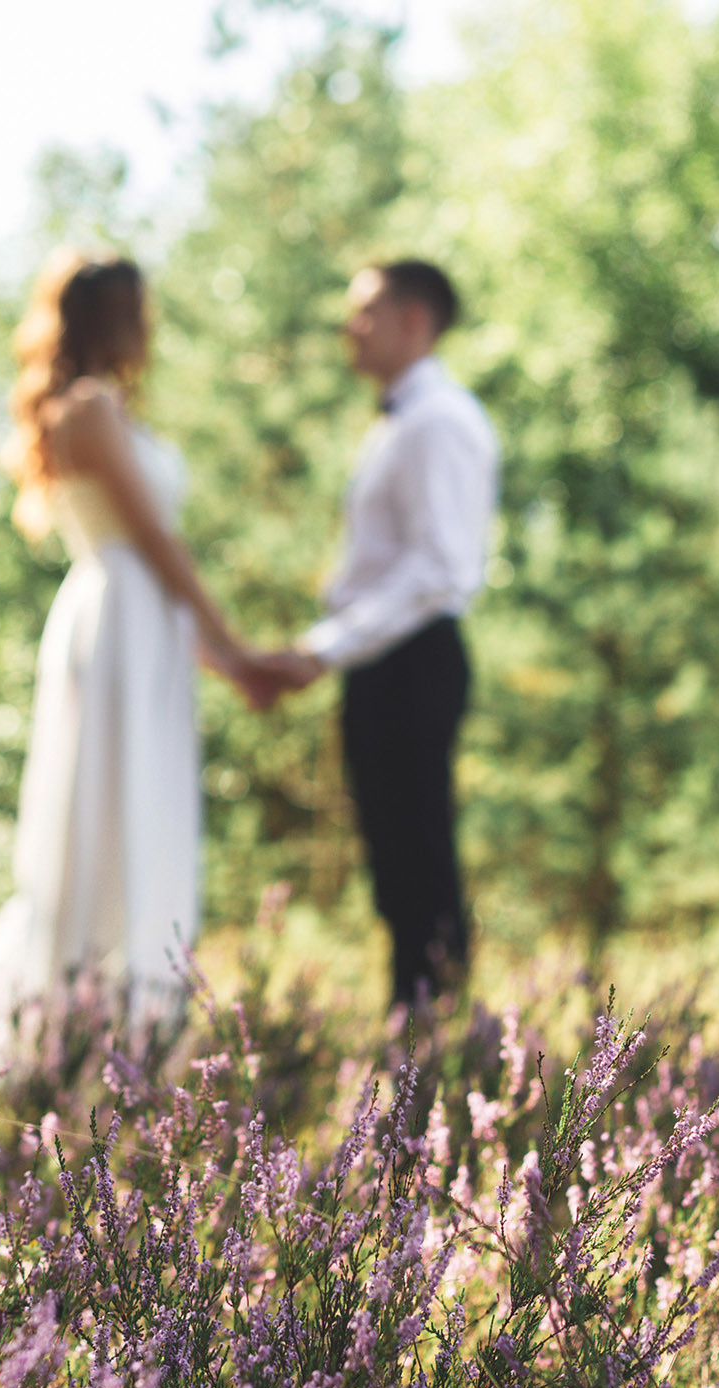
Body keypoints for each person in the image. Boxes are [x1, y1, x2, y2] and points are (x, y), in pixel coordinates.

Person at [0, 252, 271, 1056]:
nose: (147, 330)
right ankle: (69, 1030)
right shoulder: (91, 408)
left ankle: (116, 1031)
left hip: (136, 625)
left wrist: (207, 649)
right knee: (110, 818)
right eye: (138, 313)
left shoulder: (92, 410)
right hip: (118, 620)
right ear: (116, 318)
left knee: (134, 810)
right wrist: (232, 643)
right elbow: (152, 539)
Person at [258, 260, 500, 1013]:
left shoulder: (440, 421)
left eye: (365, 310)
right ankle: (417, 1034)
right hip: (382, 660)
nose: (348, 325)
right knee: (394, 860)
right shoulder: (403, 420)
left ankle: (436, 1038)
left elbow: (438, 568)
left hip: (413, 659)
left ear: (415, 321)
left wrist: (324, 646)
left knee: (420, 855)